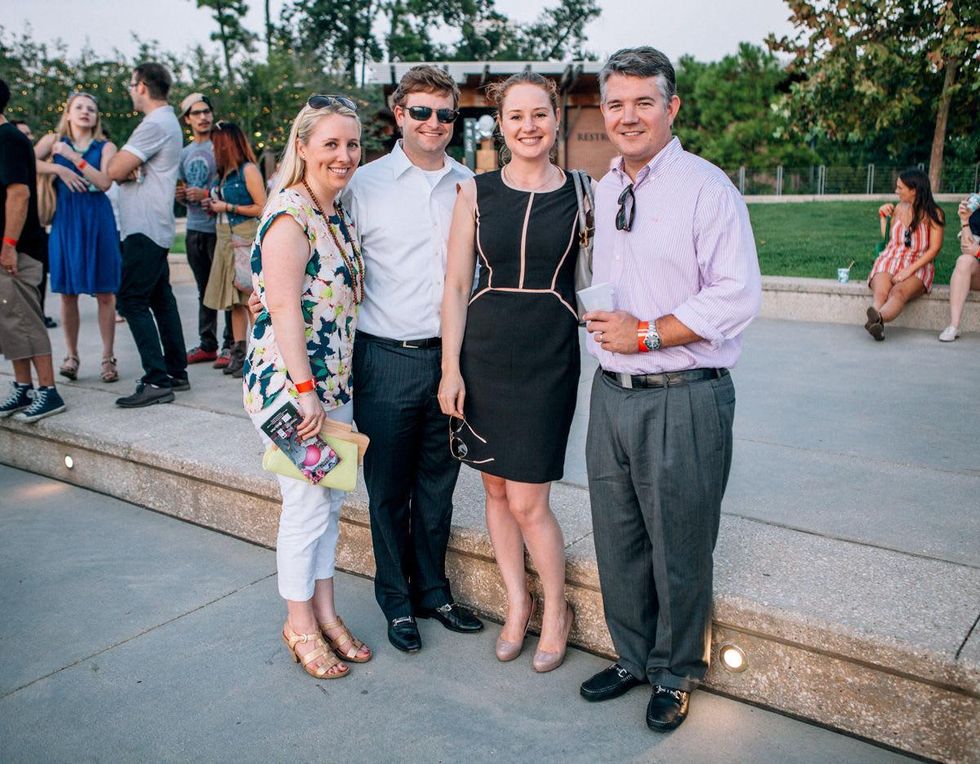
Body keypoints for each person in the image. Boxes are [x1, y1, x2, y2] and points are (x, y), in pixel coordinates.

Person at [577, 47, 761, 732]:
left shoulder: (707, 189)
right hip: (611, 392)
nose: (628, 116)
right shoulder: (604, 188)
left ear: (671, 107)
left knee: (680, 544)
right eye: (616, 103)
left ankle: (676, 670)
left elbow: (736, 296)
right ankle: (632, 656)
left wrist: (648, 333)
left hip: (684, 394)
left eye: (643, 102)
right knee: (618, 537)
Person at [439, 72, 579, 672]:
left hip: (548, 355)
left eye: (539, 114)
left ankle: (557, 610)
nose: (529, 126)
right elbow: (454, 285)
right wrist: (450, 369)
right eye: (516, 116)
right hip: (485, 353)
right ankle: (518, 605)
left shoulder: (583, 193)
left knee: (528, 499)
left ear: (555, 120)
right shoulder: (474, 191)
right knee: (494, 488)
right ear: (500, 125)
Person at [345, 66, 483, 652]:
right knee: (387, 490)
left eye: (445, 114)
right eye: (421, 111)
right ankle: (396, 601)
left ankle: (433, 591)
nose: (434, 123)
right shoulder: (362, 184)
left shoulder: (469, 184)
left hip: (451, 359)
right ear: (399, 114)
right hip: (384, 358)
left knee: (438, 484)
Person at [242, 95, 371, 679]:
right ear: (302, 146)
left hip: (331, 384)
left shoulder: (334, 209)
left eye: (352, 144)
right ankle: (299, 623)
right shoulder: (290, 214)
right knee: (305, 504)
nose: (344, 155)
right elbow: (285, 310)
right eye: (331, 144)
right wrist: (303, 391)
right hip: (292, 389)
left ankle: (325, 611)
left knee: (330, 501)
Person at [107, 62, 188, 407]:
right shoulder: (166, 121)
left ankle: (156, 380)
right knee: (160, 298)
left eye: (131, 85)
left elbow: (114, 169)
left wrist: (126, 168)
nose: (130, 91)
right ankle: (176, 370)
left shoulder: (154, 124)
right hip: (154, 224)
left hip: (144, 226)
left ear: (141, 85)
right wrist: (130, 168)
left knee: (131, 300)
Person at [34, 92, 121, 383]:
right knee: (67, 292)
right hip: (67, 219)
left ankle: (108, 357)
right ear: (68, 113)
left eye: (91, 109)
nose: (85, 112)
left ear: (96, 117)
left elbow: (105, 182)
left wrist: (73, 158)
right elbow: (24, 161)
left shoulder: (105, 146)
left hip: (97, 218)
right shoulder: (53, 140)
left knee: (105, 292)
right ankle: (71, 356)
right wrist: (57, 167)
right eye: (79, 107)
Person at [0, 77, 67, 422]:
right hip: (9, 249)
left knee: (27, 319)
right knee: (10, 321)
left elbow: (19, 194)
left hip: (20, 248)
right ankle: (23, 386)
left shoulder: (9, 139)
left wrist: (8, 245)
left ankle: (48, 390)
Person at [202, 120, 266, 378]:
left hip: (244, 237)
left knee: (250, 297)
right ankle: (238, 353)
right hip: (225, 238)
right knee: (234, 302)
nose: (212, 148)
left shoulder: (248, 170)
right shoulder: (222, 174)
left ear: (226, 144)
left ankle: (259, 354)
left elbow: (262, 206)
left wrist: (227, 207)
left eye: (215, 143)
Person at [176, 92, 233, 368]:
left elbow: (234, 183)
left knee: (228, 289)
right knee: (203, 289)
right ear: (187, 119)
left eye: (206, 111)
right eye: (196, 113)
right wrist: (181, 195)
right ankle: (207, 344)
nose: (203, 117)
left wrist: (207, 193)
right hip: (194, 226)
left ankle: (230, 345)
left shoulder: (221, 146)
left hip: (220, 228)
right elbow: (181, 186)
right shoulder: (184, 153)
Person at [866, 169, 945, 341]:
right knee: (881, 292)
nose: (896, 191)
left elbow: (935, 249)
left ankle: (878, 319)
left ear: (914, 190)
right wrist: (883, 217)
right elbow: (890, 239)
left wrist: (907, 271)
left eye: (900, 188)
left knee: (898, 292)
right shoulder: (898, 208)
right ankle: (876, 320)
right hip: (890, 258)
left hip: (918, 263)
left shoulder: (934, 214)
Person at [939, 198, 980, 341]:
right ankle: (954, 326)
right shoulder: (976, 210)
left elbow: (976, 250)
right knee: (964, 261)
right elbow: (967, 249)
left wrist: (978, 251)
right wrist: (965, 220)